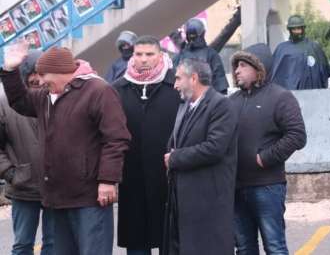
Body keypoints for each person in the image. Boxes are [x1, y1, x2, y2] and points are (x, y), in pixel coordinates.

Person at [0, 44, 131, 255]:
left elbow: (116, 138)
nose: (40, 81)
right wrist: (9, 70)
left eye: (44, 75)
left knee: (93, 251)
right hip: (58, 196)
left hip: (89, 197)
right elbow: (19, 101)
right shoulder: (45, 96)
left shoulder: (99, 91)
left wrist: (108, 180)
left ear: (60, 71)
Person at [228, 47, 307, 255]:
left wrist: (265, 158)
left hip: (267, 187)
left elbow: (297, 135)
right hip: (236, 187)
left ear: (259, 68)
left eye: (243, 65)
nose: (237, 70)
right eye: (236, 65)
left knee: (274, 246)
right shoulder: (231, 102)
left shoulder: (281, 97)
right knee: (244, 248)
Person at [113, 36, 180, 255]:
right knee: (136, 241)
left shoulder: (176, 87)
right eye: (138, 54)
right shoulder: (119, 89)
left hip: (167, 177)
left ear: (160, 55)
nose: (143, 59)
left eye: (149, 54)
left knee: (168, 238)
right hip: (131, 178)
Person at [163, 58, 238, 255]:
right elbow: (176, 142)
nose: (175, 84)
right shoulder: (185, 107)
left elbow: (215, 148)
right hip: (184, 200)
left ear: (194, 78)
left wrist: (175, 158)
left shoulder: (221, 105)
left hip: (209, 200)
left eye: (179, 78)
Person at [0, 50, 55, 255]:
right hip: (23, 185)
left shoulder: (58, 96)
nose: (38, 79)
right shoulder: (4, 101)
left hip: (55, 185)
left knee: (53, 242)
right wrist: (11, 173)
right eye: (33, 73)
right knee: (22, 244)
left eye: (42, 73)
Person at [270, 15, 330, 90]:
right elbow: (275, 74)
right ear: (290, 30)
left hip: (311, 92)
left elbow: (324, 71)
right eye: (294, 29)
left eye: (299, 28)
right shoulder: (282, 49)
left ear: (303, 29)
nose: (297, 31)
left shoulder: (314, 47)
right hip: (290, 94)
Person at [173, 19, 228, 93]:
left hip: (189, 100)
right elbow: (221, 85)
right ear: (203, 33)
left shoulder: (179, 56)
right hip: (205, 100)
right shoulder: (211, 54)